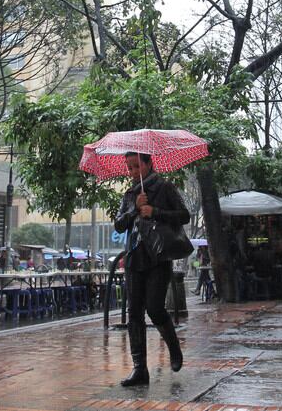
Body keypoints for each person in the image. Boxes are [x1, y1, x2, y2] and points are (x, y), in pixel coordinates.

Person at [113, 152, 189, 387]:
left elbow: (184, 216)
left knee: (155, 308)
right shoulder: (129, 194)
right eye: (129, 167)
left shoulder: (165, 188)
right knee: (134, 312)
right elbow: (119, 224)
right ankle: (139, 369)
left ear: (148, 164)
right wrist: (134, 209)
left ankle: (174, 348)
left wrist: (154, 211)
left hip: (158, 256)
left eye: (137, 166)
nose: (133, 171)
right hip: (134, 258)